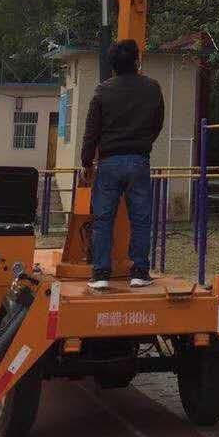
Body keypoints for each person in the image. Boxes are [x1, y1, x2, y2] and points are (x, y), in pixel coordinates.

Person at [80, 38, 165, 290]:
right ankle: (139, 271)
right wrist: (143, 142)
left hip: (108, 162)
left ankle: (100, 273)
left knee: (103, 218)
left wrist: (87, 161)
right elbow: (157, 122)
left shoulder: (102, 91)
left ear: (112, 65)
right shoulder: (152, 88)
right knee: (140, 217)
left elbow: (91, 131)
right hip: (139, 160)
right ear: (137, 61)